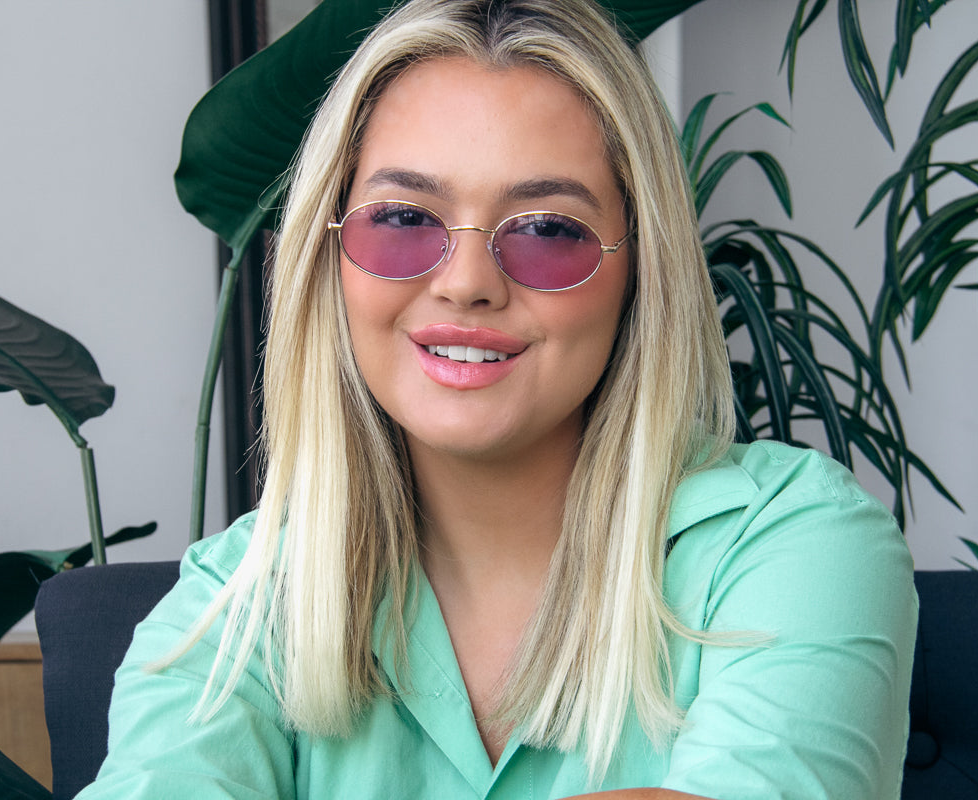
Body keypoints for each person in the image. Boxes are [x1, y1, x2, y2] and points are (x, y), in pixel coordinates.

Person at [78, 1, 917, 798]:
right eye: (402, 219)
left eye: (549, 229)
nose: (467, 283)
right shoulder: (233, 605)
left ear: (641, 271)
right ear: (327, 257)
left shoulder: (793, 542)